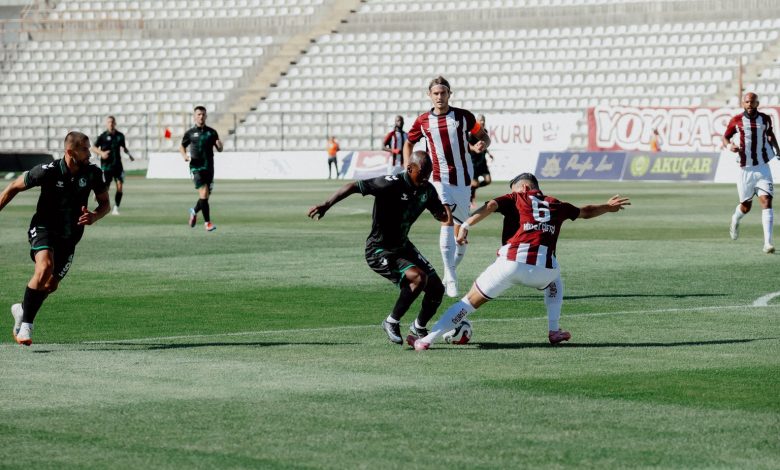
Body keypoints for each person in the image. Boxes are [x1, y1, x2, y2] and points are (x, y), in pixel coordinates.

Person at [408, 173, 630, 351]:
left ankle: (427, 340)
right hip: (545, 270)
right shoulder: (556, 204)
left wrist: (465, 225)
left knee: (468, 303)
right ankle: (554, 330)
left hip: (511, 264)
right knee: (555, 280)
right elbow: (585, 211)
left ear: (523, 188)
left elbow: (492, 205)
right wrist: (608, 207)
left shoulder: (516, 197)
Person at [308, 151, 448, 344]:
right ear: (409, 169)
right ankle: (391, 321)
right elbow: (353, 186)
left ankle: (419, 327)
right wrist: (326, 204)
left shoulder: (427, 189)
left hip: (403, 245)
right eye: (422, 172)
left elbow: (441, 215)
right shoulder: (390, 183)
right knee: (418, 278)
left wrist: (446, 210)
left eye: (429, 173)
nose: (426, 177)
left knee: (437, 289)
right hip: (379, 249)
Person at [0, 131, 109, 346]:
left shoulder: (94, 173)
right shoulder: (47, 171)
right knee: (44, 268)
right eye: (85, 149)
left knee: (50, 285)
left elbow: (105, 204)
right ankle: (26, 327)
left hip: (70, 235)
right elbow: (13, 187)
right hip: (44, 227)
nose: (89, 153)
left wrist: (95, 215)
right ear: (70, 152)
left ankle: (22, 310)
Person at [403, 76, 491, 298]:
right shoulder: (423, 121)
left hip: (462, 180)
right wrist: (408, 167)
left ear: (449, 94)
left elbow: (484, 136)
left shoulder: (464, 116)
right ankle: (450, 276)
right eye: (435, 93)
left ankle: (449, 271)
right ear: (429, 95)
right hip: (438, 178)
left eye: (443, 93)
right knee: (446, 218)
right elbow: (408, 142)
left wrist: (482, 143)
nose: (439, 97)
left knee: (461, 233)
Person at [723, 92, 780, 254]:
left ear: (757, 103)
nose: (749, 104)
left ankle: (767, 243)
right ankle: (735, 219)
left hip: (762, 166)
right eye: (747, 102)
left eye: (752, 102)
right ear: (743, 103)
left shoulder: (765, 119)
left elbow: (770, 135)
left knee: (766, 201)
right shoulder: (736, 120)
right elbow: (725, 137)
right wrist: (729, 146)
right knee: (746, 206)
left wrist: (778, 149)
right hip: (745, 169)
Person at [180, 106, 223, 232]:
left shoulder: (212, 132)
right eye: (198, 114)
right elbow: (182, 146)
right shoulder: (190, 133)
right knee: (203, 193)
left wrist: (220, 147)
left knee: (205, 197)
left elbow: (219, 149)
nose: (201, 116)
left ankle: (194, 211)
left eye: (203, 114)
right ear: (194, 116)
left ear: (206, 116)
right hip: (196, 167)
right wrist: (184, 156)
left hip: (209, 167)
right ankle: (207, 223)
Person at [92, 115, 134, 215]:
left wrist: (130, 155)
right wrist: (101, 153)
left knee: (120, 186)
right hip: (106, 166)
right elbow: (93, 148)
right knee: (106, 187)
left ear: (115, 123)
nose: (111, 124)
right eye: (109, 122)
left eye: (112, 122)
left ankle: (116, 208)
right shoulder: (102, 136)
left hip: (118, 165)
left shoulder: (120, 136)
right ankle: (98, 193)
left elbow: (124, 147)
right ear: (107, 124)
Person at [468, 114, 494, 207]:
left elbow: (484, 144)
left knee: (488, 180)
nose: (482, 122)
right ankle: (470, 199)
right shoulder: (472, 133)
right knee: (474, 183)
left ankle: (472, 188)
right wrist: (474, 148)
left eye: (483, 120)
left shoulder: (484, 131)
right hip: (473, 161)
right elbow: (467, 144)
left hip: (482, 161)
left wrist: (488, 153)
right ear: (477, 121)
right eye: (480, 120)